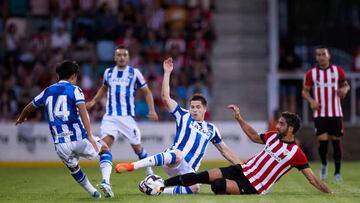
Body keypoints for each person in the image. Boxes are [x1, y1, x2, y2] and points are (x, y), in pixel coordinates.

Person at [115, 57, 241, 195]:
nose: (194, 109)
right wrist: (167, 72)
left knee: (195, 188)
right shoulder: (183, 115)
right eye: (192, 106)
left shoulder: (211, 129)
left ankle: (158, 190)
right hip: (173, 159)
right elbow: (165, 97)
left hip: (188, 170)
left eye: (198, 107)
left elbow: (225, 151)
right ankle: (131, 166)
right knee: (178, 154)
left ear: (205, 109)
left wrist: (243, 167)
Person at [161, 106, 333, 195]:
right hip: (242, 169)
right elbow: (252, 136)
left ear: (291, 129)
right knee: (201, 176)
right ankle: (161, 185)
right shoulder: (273, 136)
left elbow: (312, 180)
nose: (277, 125)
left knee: (218, 185)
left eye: (281, 123)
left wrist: (330, 193)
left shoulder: (296, 153)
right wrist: (239, 118)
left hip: (254, 185)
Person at [15, 61, 113, 198]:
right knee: (105, 149)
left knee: (73, 167)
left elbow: (29, 107)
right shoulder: (75, 90)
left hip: (60, 144)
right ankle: (106, 182)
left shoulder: (48, 91)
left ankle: (94, 193)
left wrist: (21, 118)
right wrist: (90, 135)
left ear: (58, 75)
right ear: (73, 76)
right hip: (79, 138)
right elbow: (83, 113)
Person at [86, 45, 159, 176]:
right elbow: (103, 89)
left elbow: (147, 92)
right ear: (115, 57)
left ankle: (151, 174)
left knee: (138, 149)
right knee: (104, 148)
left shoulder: (135, 73)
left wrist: (152, 109)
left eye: (125, 55)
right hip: (110, 117)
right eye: (119, 55)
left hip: (127, 117)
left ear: (128, 58)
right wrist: (93, 101)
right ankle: (106, 182)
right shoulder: (108, 72)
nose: (122, 57)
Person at [302, 46, 350, 182]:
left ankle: (337, 172)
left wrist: (344, 90)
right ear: (316, 57)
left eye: (323, 54)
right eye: (318, 54)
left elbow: (345, 85)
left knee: (336, 143)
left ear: (328, 56)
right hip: (320, 113)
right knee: (322, 143)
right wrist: (311, 101)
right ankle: (324, 164)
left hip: (335, 113)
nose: (321, 56)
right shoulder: (311, 73)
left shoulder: (337, 71)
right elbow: (304, 91)